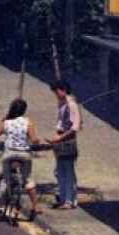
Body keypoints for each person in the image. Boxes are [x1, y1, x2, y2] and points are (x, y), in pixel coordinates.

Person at [0, 98, 43, 220]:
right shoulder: (27, 122)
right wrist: (35, 141)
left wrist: (2, 121)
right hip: (24, 155)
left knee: (5, 178)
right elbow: (34, 140)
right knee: (27, 179)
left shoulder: (7, 122)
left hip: (9, 154)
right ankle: (36, 206)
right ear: (24, 110)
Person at [49, 79, 82, 209]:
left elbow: (75, 127)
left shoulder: (72, 104)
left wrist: (60, 137)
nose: (56, 95)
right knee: (59, 171)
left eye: (56, 92)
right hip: (60, 140)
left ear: (63, 90)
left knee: (68, 171)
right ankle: (62, 198)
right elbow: (60, 123)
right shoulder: (62, 104)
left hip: (68, 141)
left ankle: (69, 200)